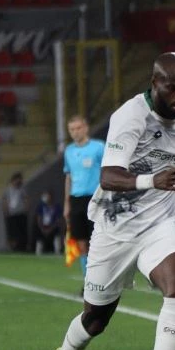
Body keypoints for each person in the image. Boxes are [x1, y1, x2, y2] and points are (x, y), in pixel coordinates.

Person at [45, 52, 175, 350]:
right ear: (155, 83)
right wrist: (153, 180)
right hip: (115, 229)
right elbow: (109, 177)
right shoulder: (130, 117)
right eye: (173, 88)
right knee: (95, 320)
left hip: (159, 223)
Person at [63, 115, 105, 281]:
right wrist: (67, 204)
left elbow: (107, 171)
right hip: (76, 199)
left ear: (86, 128)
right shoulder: (69, 151)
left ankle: (101, 279)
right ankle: (88, 281)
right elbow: (68, 177)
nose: (75, 132)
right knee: (81, 242)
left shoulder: (98, 147)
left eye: (78, 128)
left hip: (95, 199)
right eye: (72, 129)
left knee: (97, 241)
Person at [2, 171, 28, 252]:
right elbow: (5, 201)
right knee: (12, 232)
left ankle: (22, 247)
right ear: (13, 180)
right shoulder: (8, 190)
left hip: (20, 213)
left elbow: (26, 200)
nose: (18, 182)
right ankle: (12, 248)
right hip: (11, 214)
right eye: (17, 180)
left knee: (21, 232)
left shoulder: (22, 190)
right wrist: (6, 211)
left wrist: (26, 210)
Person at [35, 190, 63, 255]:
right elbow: (39, 218)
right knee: (39, 235)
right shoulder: (40, 206)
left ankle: (58, 251)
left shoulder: (57, 206)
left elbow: (58, 220)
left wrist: (50, 229)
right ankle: (38, 252)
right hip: (43, 227)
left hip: (53, 227)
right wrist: (42, 228)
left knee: (57, 235)